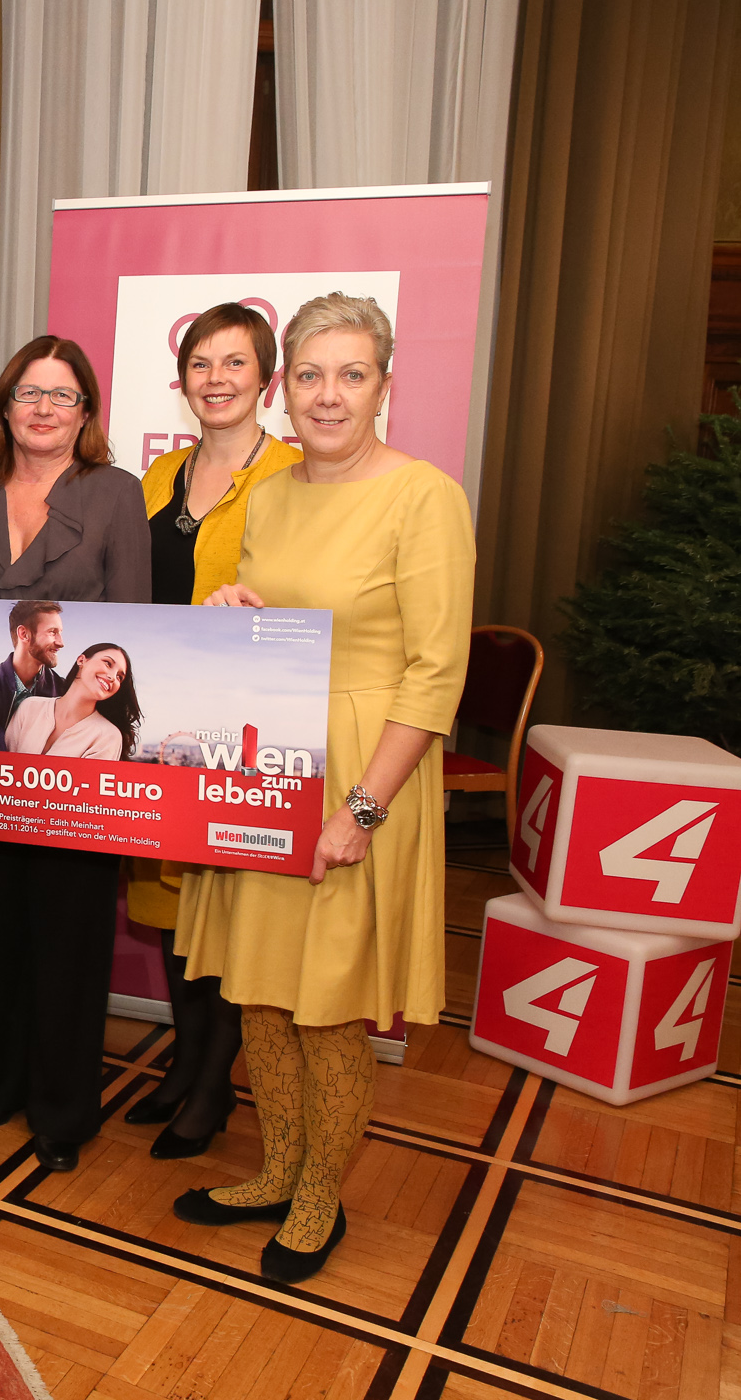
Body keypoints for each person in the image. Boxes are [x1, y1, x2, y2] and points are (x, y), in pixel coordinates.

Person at [171, 293, 473, 1284]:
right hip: (271, 773)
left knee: (328, 1005)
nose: (327, 395)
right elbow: (275, 629)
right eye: (309, 375)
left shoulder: (423, 495)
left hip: (362, 776)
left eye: (350, 374)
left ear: (384, 385)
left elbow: (436, 673)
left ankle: (319, 1197)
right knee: (261, 992)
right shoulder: (267, 495)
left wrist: (361, 810)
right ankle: (275, 1169)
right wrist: (233, 616)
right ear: (284, 388)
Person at [0, 336, 150, 1172]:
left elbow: (135, 616)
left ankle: (64, 1108)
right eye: (28, 393)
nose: (43, 408)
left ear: (86, 412)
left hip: (79, 779)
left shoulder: (115, 494)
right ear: (5, 407)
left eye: (62, 395)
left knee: (70, 940)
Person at [126, 304, 303, 1161]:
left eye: (235, 362)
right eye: (201, 363)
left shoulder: (298, 476)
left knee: (226, 907)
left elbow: (309, 593)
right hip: (157, 723)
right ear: (182, 379)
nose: (216, 378)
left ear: (266, 376)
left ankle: (212, 1086)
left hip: (241, 727)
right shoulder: (158, 475)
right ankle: (185, 1061)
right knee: (171, 908)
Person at [1, 642, 138, 760]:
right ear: (81, 660)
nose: (113, 677)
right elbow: (3, 765)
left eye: (119, 677)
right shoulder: (30, 707)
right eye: (108, 663)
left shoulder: (108, 736)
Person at [0, 599, 65, 730]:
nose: (61, 643)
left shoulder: (63, 691)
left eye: (60, 633)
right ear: (24, 634)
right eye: (52, 632)